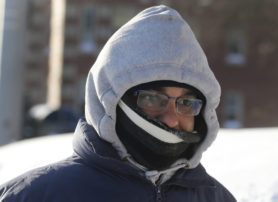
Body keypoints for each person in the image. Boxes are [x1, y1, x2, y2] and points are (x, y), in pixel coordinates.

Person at [0, 5, 236, 202]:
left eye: (186, 102)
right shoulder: (35, 196)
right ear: (110, 102)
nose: (172, 118)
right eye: (152, 98)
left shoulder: (217, 199)